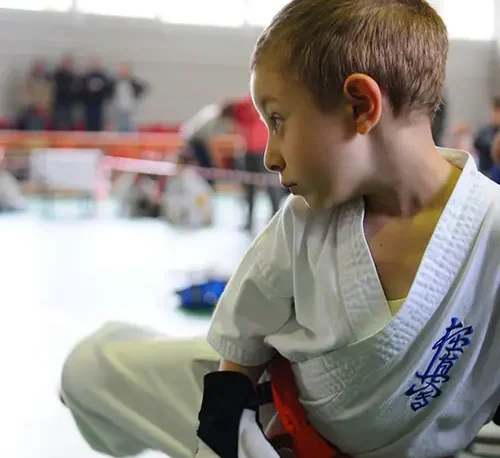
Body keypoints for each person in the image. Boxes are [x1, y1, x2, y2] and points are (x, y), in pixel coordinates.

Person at [60, 1, 500, 458]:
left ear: (360, 106)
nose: (270, 155)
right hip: (276, 417)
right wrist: (226, 419)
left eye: (277, 120)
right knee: (89, 372)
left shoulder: (492, 231)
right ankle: (96, 362)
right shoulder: (305, 218)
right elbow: (242, 333)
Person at [233, 94, 283, 231]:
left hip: (264, 148)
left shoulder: (267, 99)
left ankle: (275, 219)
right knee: (249, 188)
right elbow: (238, 115)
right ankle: (249, 220)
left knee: (272, 188)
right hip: (248, 150)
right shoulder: (245, 102)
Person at [180, 102, 236, 188]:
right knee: (206, 166)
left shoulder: (212, 111)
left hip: (192, 137)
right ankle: (208, 187)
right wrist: (215, 158)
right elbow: (208, 141)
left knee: (204, 166)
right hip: (195, 140)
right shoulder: (213, 118)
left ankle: (208, 186)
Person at [109, 62, 147, 132]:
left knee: (130, 125)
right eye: (122, 71)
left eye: (125, 71)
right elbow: (109, 91)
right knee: (119, 125)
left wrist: (136, 96)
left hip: (130, 107)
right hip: (118, 107)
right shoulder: (115, 82)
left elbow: (143, 88)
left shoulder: (132, 82)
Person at [80, 57, 112, 132]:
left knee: (98, 122)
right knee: (89, 121)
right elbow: (82, 89)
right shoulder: (86, 76)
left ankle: (97, 138)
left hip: (98, 103)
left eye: (96, 64)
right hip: (88, 103)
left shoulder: (102, 76)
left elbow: (107, 88)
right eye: (93, 64)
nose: (94, 66)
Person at [473, 97, 500, 175]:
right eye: (493, 111)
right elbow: (478, 142)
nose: (494, 115)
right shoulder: (486, 131)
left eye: (497, 112)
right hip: (485, 172)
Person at [52, 54, 78, 131]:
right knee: (59, 123)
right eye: (66, 62)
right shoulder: (58, 74)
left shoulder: (73, 76)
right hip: (59, 102)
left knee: (68, 123)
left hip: (69, 103)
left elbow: (75, 89)